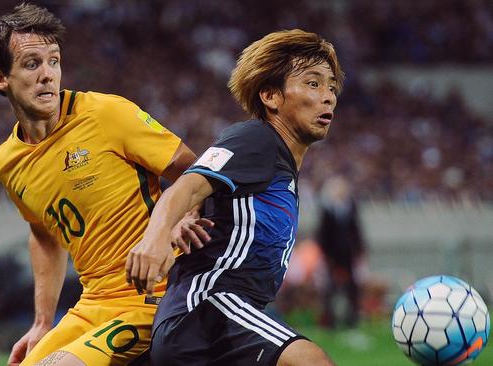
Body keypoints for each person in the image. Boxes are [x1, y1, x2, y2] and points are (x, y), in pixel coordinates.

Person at [0, 4, 198, 366]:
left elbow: (196, 171)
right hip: (92, 302)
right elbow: (43, 234)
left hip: (153, 296)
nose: (48, 75)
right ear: (1, 78)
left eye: (54, 61)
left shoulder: (105, 114)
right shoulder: (7, 162)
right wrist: (42, 321)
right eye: (32, 64)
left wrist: (187, 213)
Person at [126, 29, 344, 365]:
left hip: (223, 318)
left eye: (331, 86)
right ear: (270, 96)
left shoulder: (281, 167)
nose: (328, 96)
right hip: (207, 312)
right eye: (313, 83)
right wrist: (154, 239)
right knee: (310, 361)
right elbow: (187, 186)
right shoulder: (257, 139)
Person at [317, 175, 366, 328]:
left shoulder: (351, 206)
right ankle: (329, 320)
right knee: (330, 288)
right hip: (332, 255)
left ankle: (352, 319)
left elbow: (356, 229)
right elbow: (323, 233)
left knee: (352, 288)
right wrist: (325, 254)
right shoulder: (327, 209)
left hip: (348, 254)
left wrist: (359, 249)